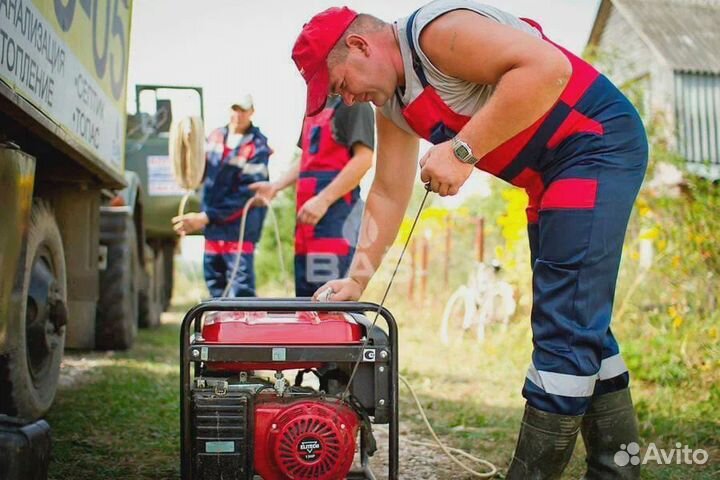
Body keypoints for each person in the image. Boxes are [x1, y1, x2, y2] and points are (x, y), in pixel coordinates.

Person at [291, 2, 648, 479]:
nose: (348, 99)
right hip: (548, 174)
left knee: (564, 329)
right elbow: (388, 190)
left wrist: (463, 151)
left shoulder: (435, 34)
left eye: (340, 85)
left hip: (595, 144)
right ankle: (616, 471)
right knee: (578, 321)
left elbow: (548, 67)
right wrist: (358, 281)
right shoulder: (393, 104)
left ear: (359, 45)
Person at [251, 97, 374, 296]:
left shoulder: (354, 104)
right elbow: (307, 158)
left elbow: (364, 160)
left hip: (335, 225)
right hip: (306, 227)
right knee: (306, 302)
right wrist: (276, 187)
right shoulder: (314, 106)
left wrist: (323, 200)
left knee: (331, 302)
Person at [173, 94, 271, 297]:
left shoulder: (258, 146)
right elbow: (200, 171)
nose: (238, 114)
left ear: (252, 112)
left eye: (243, 110)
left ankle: (243, 328)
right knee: (215, 286)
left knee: (240, 290)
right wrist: (190, 147)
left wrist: (205, 217)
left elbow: (247, 195)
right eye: (235, 109)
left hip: (240, 229)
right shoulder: (215, 137)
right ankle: (219, 327)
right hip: (214, 228)